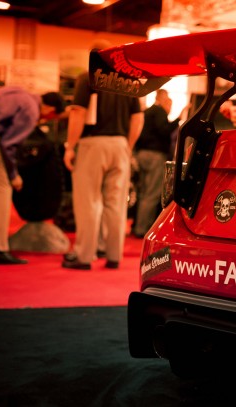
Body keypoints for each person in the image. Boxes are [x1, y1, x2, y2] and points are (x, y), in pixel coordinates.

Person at [62, 42, 143, 271]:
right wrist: (127, 146)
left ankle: (84, 256)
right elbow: (138, 118)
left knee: (88, 202)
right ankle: (113, 255)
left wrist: (70, 147)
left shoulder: (88, 77)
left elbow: (78, 112)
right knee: (116, 203)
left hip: (92, 144)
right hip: (120, 145)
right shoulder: (128, 79)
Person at [0, 86, 65, 264]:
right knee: (2, 189)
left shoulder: (18, 92)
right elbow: (8, 145)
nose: (46, 120)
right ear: (50, 109)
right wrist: (14, 175)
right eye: (51, 117)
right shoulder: (31, 111)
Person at [132, 89, 189, 238]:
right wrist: (179, 118)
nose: (169, 105)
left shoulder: (146, 112)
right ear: (162, 98)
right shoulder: (158, 111)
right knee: (151, 194)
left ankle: (136, 225)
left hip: (142, 154)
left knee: (142, 193)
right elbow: (164, 130)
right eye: (168, 101)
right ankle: (143, 229)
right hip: (155, 155)